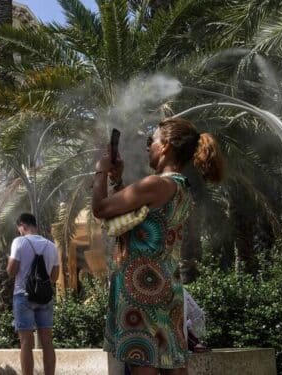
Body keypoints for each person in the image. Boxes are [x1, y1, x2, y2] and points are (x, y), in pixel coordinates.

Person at [93, 118, 224, 375]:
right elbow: (136, 222)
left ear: (164, 146)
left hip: (140, 292)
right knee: (173, 363)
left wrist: (100, 170)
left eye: (150, 142)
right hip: (167, 291)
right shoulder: (181, 189)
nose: (147, 148)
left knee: (144, 363)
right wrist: (117, 182)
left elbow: (101, 209)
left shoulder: (155, 184)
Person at [6, 213, 60, 375]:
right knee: (47, 342)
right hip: (45, 297)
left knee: (26, 343)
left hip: (23, 296)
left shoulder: (19, 242)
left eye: (19, 229)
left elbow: (11, 271)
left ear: (22, 225)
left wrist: (10, 261)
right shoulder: (51, 245)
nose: (19, 232)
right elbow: (55, 277)